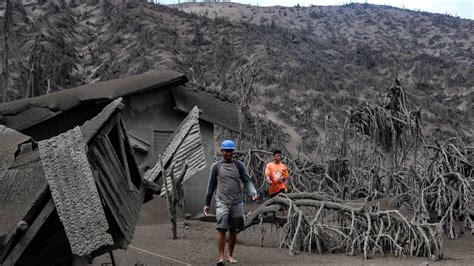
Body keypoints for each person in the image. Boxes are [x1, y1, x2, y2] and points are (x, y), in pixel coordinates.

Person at [203, 140, 258, 265]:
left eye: (231, 151)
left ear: (233, 152)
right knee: (221, 228)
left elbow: (247, 181)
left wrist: (253, 192)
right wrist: (207, 203)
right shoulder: (216, 167)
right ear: (221, 151)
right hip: (222, 202)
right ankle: (221, 257)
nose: (228, 153)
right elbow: (211, 186)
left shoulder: (239, 165)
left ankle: (230, 255)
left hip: (237, 202)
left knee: (233, 229)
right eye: (226, 151)